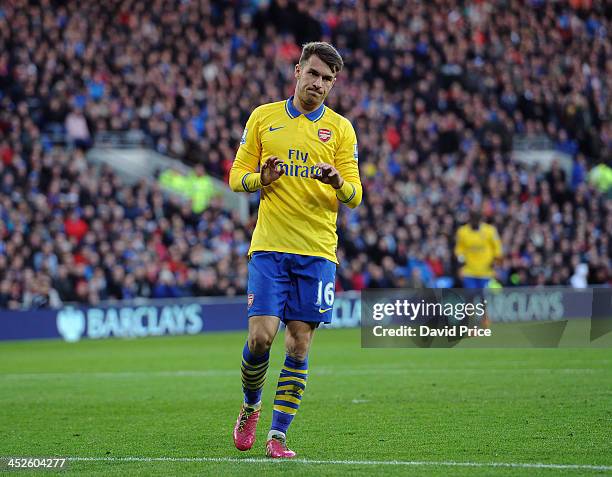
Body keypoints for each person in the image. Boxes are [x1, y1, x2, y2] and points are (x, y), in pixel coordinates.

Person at [228, 42, 362, 458]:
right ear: (297, 70)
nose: (318, 84)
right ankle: (251, 405)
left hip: (318, 252)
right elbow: (236, 176)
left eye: (327, 79)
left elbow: (356, 195)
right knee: (262, 337)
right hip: (270, 248)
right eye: (313, 73)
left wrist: (338, 182)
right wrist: (259, 179)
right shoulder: (264, 117)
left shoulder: (341, 130)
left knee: (299, 343)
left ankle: (277, 436)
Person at [454, 209, 503, 289]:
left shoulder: (490, 230)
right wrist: (461, 265)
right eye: (473, 219)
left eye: (477, 219)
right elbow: (459, 250)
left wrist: (496, 266)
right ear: (469, 219)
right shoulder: (462, 232)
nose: (475, 222)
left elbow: (498, 249)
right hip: (468, 271)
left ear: (481, 219)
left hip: (486, 272)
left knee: (484, 298)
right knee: (471, 297)